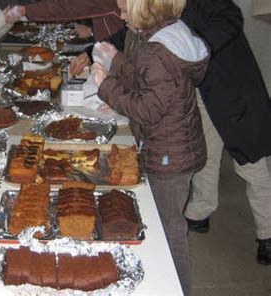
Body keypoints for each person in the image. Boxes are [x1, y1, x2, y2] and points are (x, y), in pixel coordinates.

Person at [93, 0, 209, 293]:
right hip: (176, 146)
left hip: (170, 154)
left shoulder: (157, 50)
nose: (119, 16)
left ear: (145, 8)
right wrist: (117, 59)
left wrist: (106, 86)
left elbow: (147, 109)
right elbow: (147, 76)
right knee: (166, 222)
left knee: (171, 229)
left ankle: (178, 287)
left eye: (123, 10)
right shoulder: (166, 36)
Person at [180, 0, 271, 265]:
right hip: (203, 93)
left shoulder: (211, 3)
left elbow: (231, 17)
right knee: (205, 155)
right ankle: (200, 212)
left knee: (251, 165)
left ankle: (267, 235)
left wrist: (195, 47)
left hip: (235, 93)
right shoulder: (165, 6)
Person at [12, 0, 123, 42]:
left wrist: (26, 11)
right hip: (112, 42)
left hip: (118, 50)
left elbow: (69, 7)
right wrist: (93, 30)